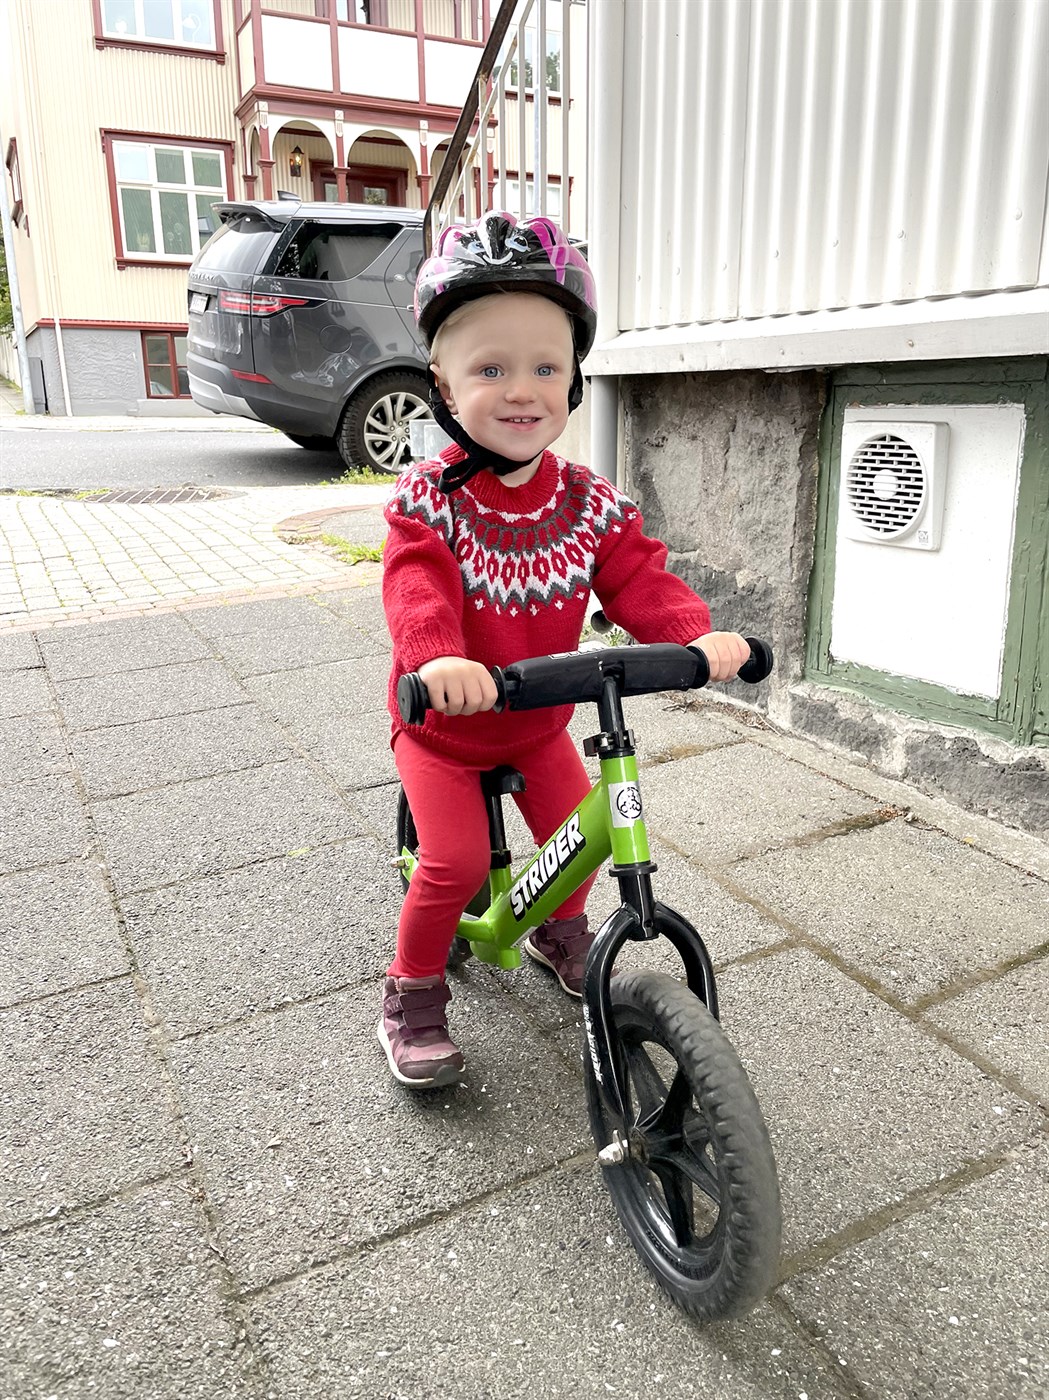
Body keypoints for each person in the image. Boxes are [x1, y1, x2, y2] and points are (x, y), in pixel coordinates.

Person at [379, 211, 751, 1088]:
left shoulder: (590, 502)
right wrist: (436, 659)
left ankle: (560, 931)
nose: (521, 391)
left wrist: (693, 636)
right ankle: (412, 992)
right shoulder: (429, 499)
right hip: (443, 730)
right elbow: (415, 583)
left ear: (575, 381)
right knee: (452, 864)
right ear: (442, 384)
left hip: (537, 722)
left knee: (581, 840)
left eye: (545, 368)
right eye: (490, 369)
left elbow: (639, 579)